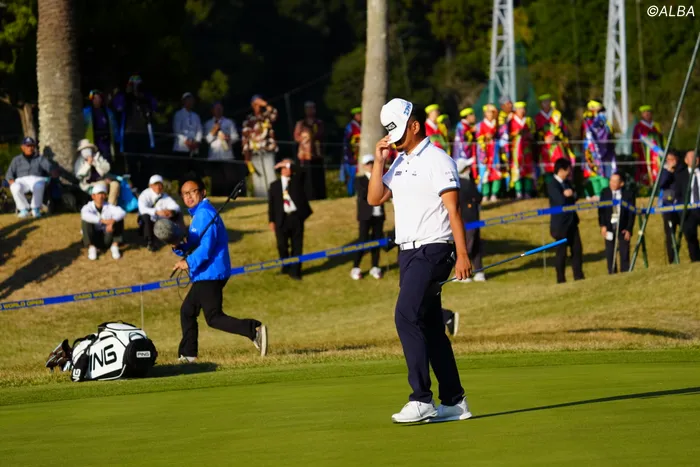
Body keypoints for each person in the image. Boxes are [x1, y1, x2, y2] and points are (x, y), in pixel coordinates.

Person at [371, 98, 473, 424]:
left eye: (400, 133)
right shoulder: (400, 162)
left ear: (415, 125)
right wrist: (379, 161)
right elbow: (375, 197)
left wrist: (463, 254)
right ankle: (454, 401)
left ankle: (421, 399)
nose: (395, 140)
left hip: (434, 249)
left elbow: (454, 211)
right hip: (408, 252)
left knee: (405, 316)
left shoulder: (438, 160)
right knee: (429, 325)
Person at [172, 176, 268, 360]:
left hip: (210, 273)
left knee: (213, 317)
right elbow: (194, 244)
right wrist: (178, 247)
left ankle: (253, 330)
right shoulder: (199, 215)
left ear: (203, 192)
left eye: (193, 192)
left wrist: (188, 262)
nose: (189, 196)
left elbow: (206, 247)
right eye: (185, 194)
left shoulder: (204, 214)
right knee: (188, 311)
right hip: (206, 273)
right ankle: (188, 355)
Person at [268, 159, 312, 280]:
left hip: (296, 217)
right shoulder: (275, 185)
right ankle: (285, 266)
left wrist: (288, 164)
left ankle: (295, 271)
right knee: (281, 245)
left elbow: (303, 171)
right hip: (281, 219)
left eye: (289, 167)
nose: (287, 169)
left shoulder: (297, 181)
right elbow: (271, 204)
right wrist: (271, 220)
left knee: (297, 245)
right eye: (284, 167)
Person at [548, 158, 585, 283]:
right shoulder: (553, 184)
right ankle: (561, 279)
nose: (569, 172)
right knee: (561, 253)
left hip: (572, 222)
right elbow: (560, 201)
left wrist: (571, 194)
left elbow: (575, 195)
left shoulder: (567, 183)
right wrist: (566, 195)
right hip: (560, 225)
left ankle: (579, 276)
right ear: (561, 170)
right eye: (568, 170)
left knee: (577, 250)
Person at [350, 154, 385, 281]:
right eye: (368, 163)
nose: (370, 165)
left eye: (372, 163)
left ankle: (375, 266)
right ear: (364, 166)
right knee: (362, 240)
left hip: (378, 215)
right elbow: (364, 194)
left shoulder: (380, 178)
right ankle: (355, 267)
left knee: (377, 241)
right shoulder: (359, 180)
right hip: (365, 215)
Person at [5, 136, 57, 218]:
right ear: (22, 147)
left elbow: (50, 168)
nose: (30, 148)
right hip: (22, 180)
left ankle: (35, 209)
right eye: (28, 146)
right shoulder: (16, 160)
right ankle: (24, 210)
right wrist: (11, 181)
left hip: (37, 179)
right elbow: (9, 174)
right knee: (14, 187)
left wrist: (53, 172)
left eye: (32, 146)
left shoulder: (40, 158)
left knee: (38, 185)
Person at [535, 94, 575, 189]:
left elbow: (564, 130)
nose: (546, 104)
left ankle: (562, 188)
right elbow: (535, 132)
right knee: (547, 169)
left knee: (560, 167)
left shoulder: (557, 115)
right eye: (544, 102)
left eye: (548, 101)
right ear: (541, 104)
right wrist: (543, 138)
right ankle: (549, 189)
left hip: (557, 146)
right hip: (545, 148)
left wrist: (556, 136)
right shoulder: (538, 117)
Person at [598, 173, 636, 274]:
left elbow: (631, 213)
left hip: (623, 227)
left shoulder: (628, 194)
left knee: (624, 252)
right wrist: (602, 225)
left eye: (615, 181)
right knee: (610, 252)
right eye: (611, 180)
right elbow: (601, 211)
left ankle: (625, 273)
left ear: (621, 183)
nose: (612, 183)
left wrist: (629, 229)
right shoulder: (605, 193)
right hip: (609, 226)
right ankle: (612, 273)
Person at [242, 95, 278, 198]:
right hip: (254, 153)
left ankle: (274, 198)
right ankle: (260, 200)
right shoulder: (248, 120)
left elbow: (274, 113)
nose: (257, 106)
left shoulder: (267, 116)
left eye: (259, 104)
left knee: (271, 176)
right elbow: (245, 139)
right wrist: (246, 157)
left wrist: (265, 104)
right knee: (258, 180)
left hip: (267, 151)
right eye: (255, 104)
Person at [456, 158, 485, 282]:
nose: (469, 170)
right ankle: (468, 273)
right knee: (469, 246)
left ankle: (476, 272)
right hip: (468, 220)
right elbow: (478, 197)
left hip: (469, 220)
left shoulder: (459, 183)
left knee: (473, 245)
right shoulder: (465, 183)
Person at [203, 101, 241, 195]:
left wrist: (229, 138)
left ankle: (230, 196)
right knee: (216, 180)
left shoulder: (229, 122)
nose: (218, 111)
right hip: (214, 156)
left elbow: (236, 137)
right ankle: (217, 197)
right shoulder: (208, 124)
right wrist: (214, 130)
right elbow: (207, 140)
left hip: (227, 155)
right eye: (216, 109)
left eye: (220, 109)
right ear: (212, 111)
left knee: (230, 179)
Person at [80, 183, 126, 260]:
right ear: (93, 196)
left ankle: (115, 246)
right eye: (98, 194)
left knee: (119, 219)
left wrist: (112, 221)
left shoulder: (109, 206)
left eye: (103, 194)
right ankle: (91, 247)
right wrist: (102, 221)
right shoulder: (88, 207)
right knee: (85, 221)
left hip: (107, 235)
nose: (101, 196)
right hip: (94, 237)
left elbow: (122, 212)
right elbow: (84, 215)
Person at [138, 174, 182, 251]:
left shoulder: (165, 196)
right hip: (148, 220)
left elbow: (176, 207)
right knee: (146, 216)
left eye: (160, 184)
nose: (158, 187)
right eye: (155, 184)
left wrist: (171, 211)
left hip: (160, 220)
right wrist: (156, 212)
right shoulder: (144, 195)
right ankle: (150, 242)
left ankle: (178, 235)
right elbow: (142, 209)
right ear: (150, 186)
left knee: (177, 214)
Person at [581, 100, 615, 200]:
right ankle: (596, 194)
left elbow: (605, 133)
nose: (590, 109)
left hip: (601, 151)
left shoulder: (602, 119)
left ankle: (605, 194)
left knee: (603, 173)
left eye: (593, 107)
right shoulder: (587, 119)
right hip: (589, 150)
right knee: (592, 173)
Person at [294, 101, 326, 200]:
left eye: (312, 108)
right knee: (306, 177)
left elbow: (322, 135)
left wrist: (313, 136)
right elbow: (296, 137)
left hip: (317, 153)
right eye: (308, 109)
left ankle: (320, 196)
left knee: (318, 176)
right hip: (304, 154)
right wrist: (305, 138)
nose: (310, 111)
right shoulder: (301, 123)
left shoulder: (319, 123)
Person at [74, 139, 120, 206]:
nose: (87, 151)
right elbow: (79, 176)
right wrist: (88, 165)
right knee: (102, 184)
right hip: (89, 185)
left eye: (88, 148)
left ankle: (111, 207)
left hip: (103, 179)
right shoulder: (79, 162)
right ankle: (101, 207)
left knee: (115, 184)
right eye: (84, 149)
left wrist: (96, 163)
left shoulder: (98, 157)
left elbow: (107, 168)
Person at [673, 150, 700, 262]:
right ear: (686, 160)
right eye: (692, 157)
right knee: (690, 236)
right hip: (689, 211)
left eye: (696, 156)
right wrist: (682, 211)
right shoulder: (680, 176)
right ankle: (696, 260)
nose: (695, 159)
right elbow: (677, 194)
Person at [633, 105, 665, 186]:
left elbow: (662, 139)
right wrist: (636, 154)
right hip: (644, 155)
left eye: (648, 112)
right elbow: (635, 142)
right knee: (645, 171)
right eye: (644, 112)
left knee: (659, 169)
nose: (647, 114)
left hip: (658, 154)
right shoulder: (638, 127)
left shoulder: (656, 126)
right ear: (641, 115)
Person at [658, 151, 681, 263]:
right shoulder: (664, 171)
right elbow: (661, 184)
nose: (670, 162)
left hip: (681, 204)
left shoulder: (681, 171)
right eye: (668, 160)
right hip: (668, 206)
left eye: (672, 159)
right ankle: (671, 259)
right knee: (669, 234)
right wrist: (668, 171)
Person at [509, 102, 536, 199]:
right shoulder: (511, 121)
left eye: (523, 108)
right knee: (517, 170)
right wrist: (516, 133)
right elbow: (507, 134)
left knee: (528, 170)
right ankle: (518, 192)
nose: (522, 110)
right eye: (520, 108)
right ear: (516, 110)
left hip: (527, 150)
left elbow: (533, 133)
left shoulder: (528, 120)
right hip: (516, 151)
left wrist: (528, 134)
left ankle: (528, 192)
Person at [83, 90, 118, 163]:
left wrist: (116, 139)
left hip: (105, 142)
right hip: (91, 142)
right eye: (95, 98)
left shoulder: (108, 112)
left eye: (98, 98)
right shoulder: (85, 112)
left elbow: (114, 127)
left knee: (105, 162)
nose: (97, 100)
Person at [172, 92, 203, 173]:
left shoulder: (196, 116)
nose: (190, 102)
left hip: (194, 148)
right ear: (183, 101)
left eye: (191, 100)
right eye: (188, 100)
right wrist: (186, 141)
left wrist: (197, 141)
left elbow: (199, 130)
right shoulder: (178, 114)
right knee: (181, 171)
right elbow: (177, 131)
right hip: (181, 148)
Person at [475, 104, 500, 202]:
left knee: (496, 172)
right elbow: (477, 137)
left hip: (495, 152)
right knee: (485, 173)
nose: (490, 114)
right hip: (484, 152)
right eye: (488, 112)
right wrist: (485, 137)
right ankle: (485, 194)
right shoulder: (480, 125)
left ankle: (494, 193)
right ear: (485, 113)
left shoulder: (497, 124)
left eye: (492, 112)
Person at [342, 107, 362, 196]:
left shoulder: (361, 126)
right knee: (351, 176)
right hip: (351, 155)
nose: (361, 116)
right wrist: (348, 155)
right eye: (359, 114)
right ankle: (351, 194)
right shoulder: (350, 127)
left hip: (359, 155)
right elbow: (346, 142)